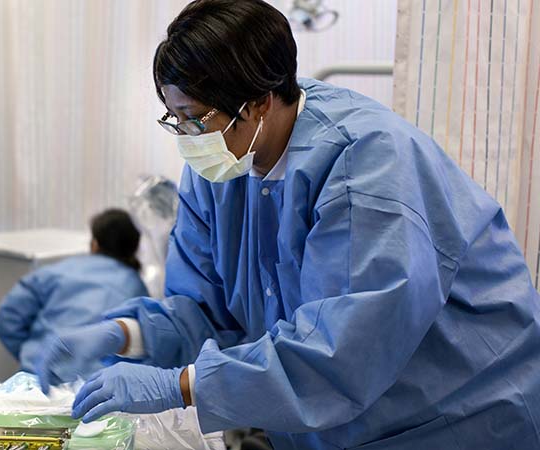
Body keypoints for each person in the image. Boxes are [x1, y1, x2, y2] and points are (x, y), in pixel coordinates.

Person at [33, 1, 540, 449]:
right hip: (335, 421)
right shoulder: (221, 166)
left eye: (195, 118)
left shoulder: (366, 168)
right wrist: (126, 333)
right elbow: (208, 308)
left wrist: (179, 386)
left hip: (457, 413)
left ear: (258, 102)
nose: (186, 137)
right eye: (174, 118)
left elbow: (342, 352)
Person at [0, 209, 149, 376]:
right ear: (134, 248)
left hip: (41, 378)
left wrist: (32, 356)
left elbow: (7, 318)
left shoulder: (56, 272)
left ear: (94, 244)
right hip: (99, 389)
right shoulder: (137, 289)